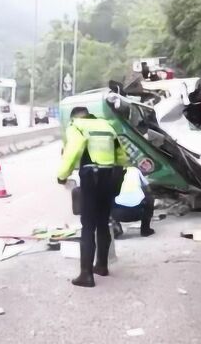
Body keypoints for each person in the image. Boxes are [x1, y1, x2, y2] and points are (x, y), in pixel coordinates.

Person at [57, 107, 128, 288]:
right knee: (103, 222)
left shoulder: (76, 126)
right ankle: (102, 266)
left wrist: (62, 175)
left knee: (88, 226)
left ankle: (86, 274)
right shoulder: (106, 126)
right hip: (111, 175)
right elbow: (121, 155)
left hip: (92, 176)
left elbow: (73, 149)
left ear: (74, 117)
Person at [110, 166, 155, 238]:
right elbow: (148, 189)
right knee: (150, 198)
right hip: (139, 213)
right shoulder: (135, 170)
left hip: (118, 214)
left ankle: (115, 228)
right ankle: (145, 230)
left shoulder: (110, 172)